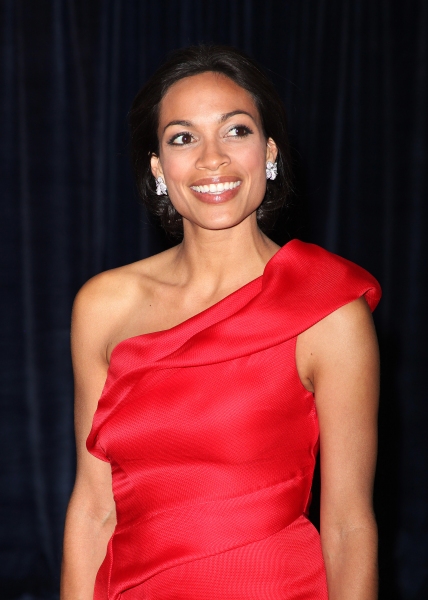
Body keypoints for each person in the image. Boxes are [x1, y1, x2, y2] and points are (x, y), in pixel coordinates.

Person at [61, 45, 381, 600]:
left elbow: (349, 526)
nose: (213, 159)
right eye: (183, 138)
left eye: (236, 131)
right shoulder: (104, 306)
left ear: (270, 151)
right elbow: (93, 508)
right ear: (159, 167)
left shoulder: (327, 309)